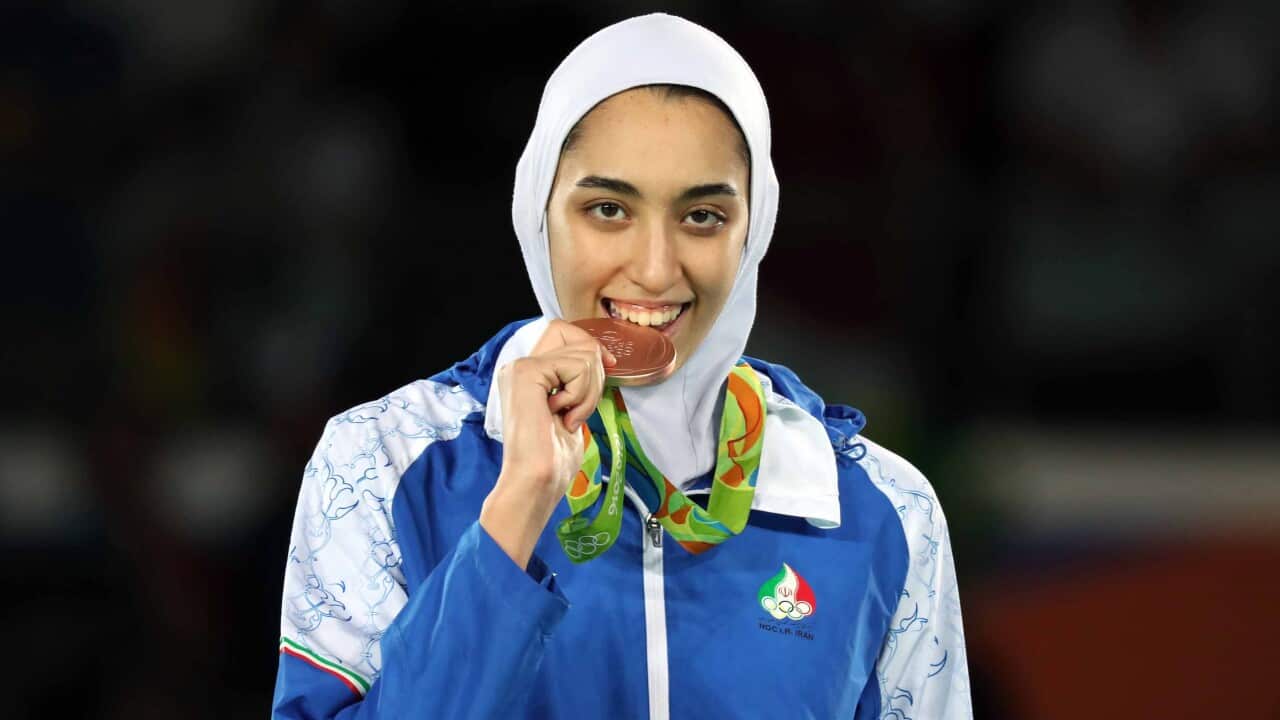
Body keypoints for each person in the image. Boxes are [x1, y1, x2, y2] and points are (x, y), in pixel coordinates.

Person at [272, 13, 972, 720]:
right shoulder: (387, 464)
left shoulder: (879, 511)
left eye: (702, 216)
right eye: (608, 209)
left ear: (755, 228)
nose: (654, 268)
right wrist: (516, 511)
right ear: (536, 210)